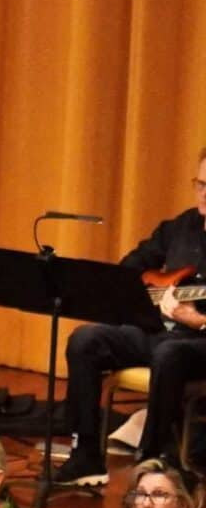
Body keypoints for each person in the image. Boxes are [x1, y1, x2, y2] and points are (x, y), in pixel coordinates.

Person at [54, 149, 206, 486]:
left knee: (170, 353)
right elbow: (131, 267)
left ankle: (151, 460)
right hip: (158, 332)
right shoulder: (180, 226)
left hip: (198, 342)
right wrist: (143, 293)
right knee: (86, 339)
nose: (204, 194)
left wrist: (198, 321)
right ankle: (86, 456)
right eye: (200, 184)